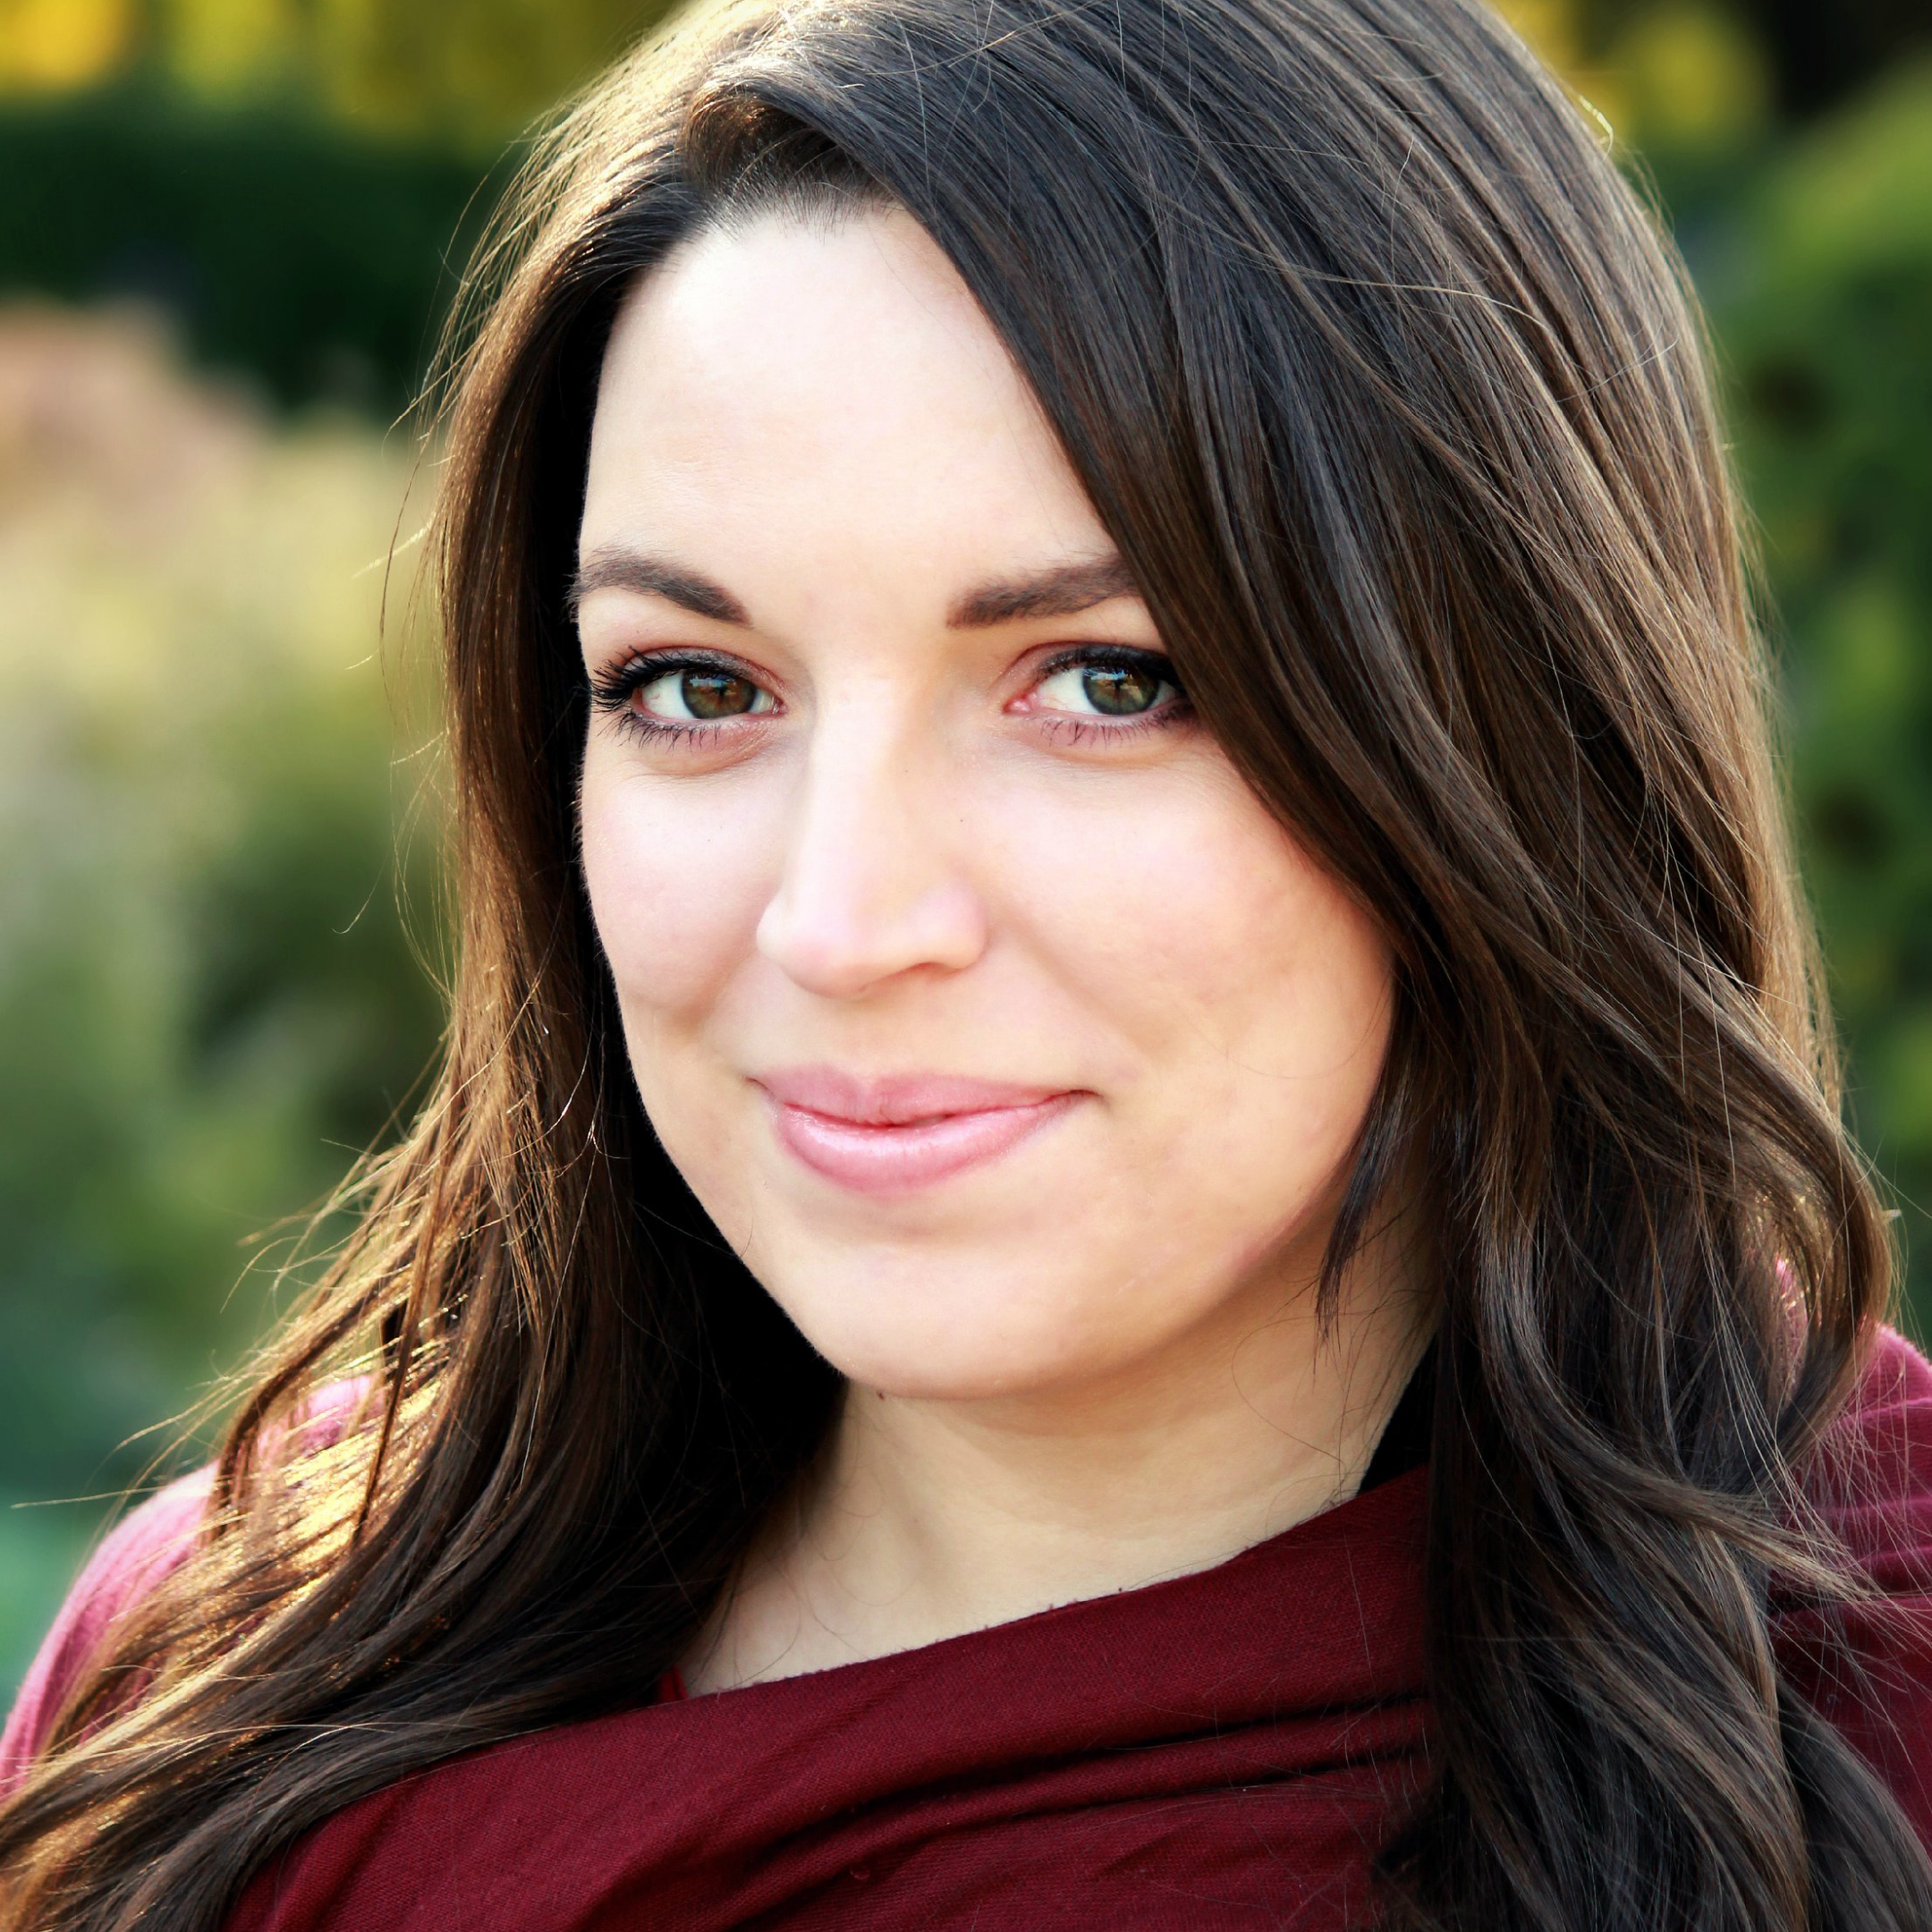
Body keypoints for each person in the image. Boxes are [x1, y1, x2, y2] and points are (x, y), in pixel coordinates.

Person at [3, 0, 1930, 1925]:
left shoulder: (1866, 1736)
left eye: (1109, 684)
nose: (838, 926)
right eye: (697, 687)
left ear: (1518, 731)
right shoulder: (226, 1691)